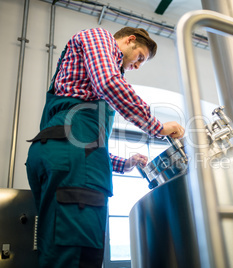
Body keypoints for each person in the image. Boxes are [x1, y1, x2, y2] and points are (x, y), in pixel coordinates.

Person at [25, 27, 184, 267]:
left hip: (63, 152)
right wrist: (157, 127)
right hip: (69, 157)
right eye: (140, 57)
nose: (138, 66)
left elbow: (81, 141)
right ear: (130, 40)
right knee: (78, 252)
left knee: (57, 245)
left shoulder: (83, 93)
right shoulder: (100, 37)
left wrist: (124, 163)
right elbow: (109, 83)